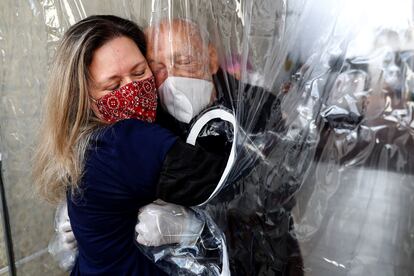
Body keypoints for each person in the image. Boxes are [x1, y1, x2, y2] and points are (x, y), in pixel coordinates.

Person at [33, 15, 230, 276]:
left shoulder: (89, 141)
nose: (133, 90)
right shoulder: (123, 140)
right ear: (82, 98)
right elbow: (228, 182)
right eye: (113, 86)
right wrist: (195, 229)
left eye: (140, 72)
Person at [136, 18, 305, 276]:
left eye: (183, 61)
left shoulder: (257, 107)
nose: (171, 78)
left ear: (212, 58)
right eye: (157, 67)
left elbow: (275, 192)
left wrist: (194, 227)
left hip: (260, 260)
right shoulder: (149, 121)